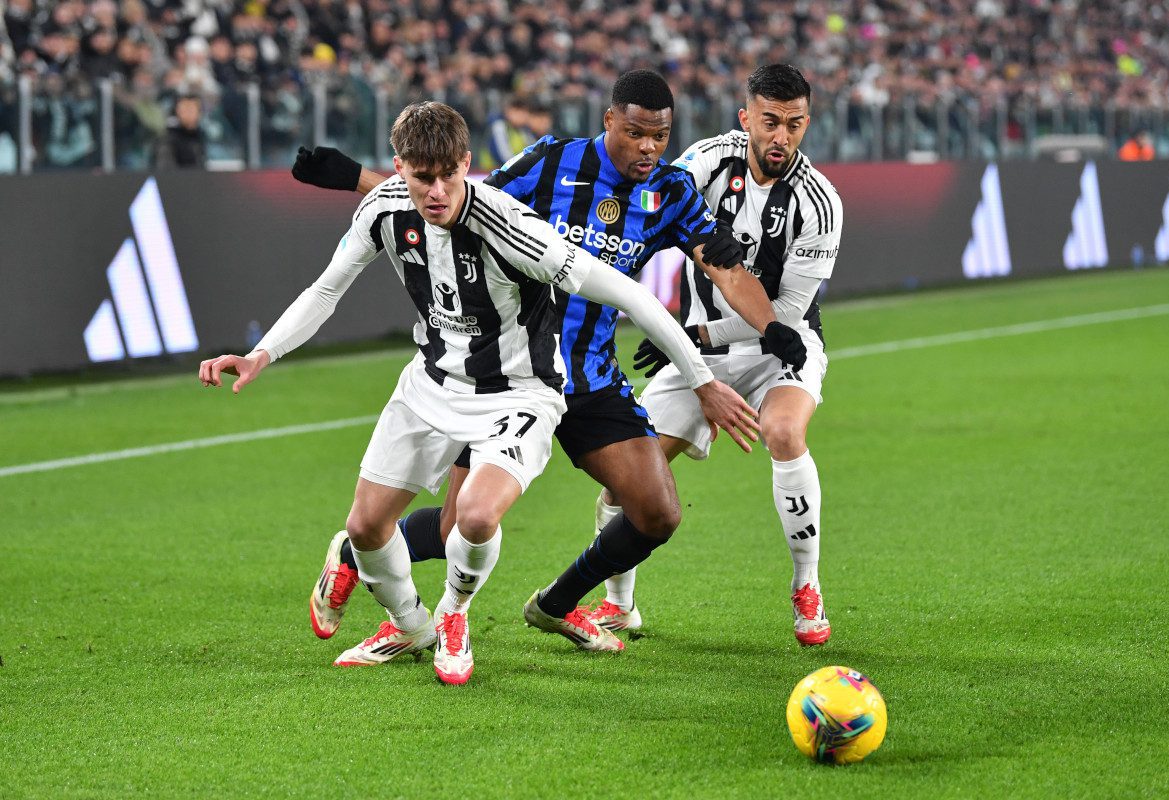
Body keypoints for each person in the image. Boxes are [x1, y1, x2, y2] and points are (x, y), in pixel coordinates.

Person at [200, 101, 755, 685]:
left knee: (479, 514)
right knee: (367, 527)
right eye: (421, 178)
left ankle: (454, 615)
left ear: (467, 164)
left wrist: (703, 379)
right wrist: (263, 352)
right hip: (431, 383)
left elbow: (634, 298)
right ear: (400, 169)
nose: (436, 191)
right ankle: (409, 622)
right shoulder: (383, 210)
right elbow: (325, 290)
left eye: (448, 175)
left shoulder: (512, 226)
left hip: (519, 393)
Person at [292, 70, 807, 654]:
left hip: (587, 375)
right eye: (636, 132)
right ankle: (357, 553)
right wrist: (361, 181)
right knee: (455, 525)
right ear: (609, 120)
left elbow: (725, 267)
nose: (648, 147)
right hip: (508, 373)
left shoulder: (670, 192)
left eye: (660, 136)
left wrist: (771, 328)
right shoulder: (550, 161)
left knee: (658, 511)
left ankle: (556, 604)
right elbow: (459, 198)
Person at [608, 64, 843, 646]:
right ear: (747, 120)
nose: (780, 137)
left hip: (777, 349)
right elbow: (651, 209)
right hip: (698, 353)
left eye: (793, 124)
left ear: (807, 124)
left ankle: (806, 586)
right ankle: (619, 606)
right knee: (621, 480)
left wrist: (691, 338)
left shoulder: (821, 204)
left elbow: (783, 320)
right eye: (769, 122)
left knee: (784, 433)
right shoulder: (707, 163)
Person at [154, 94, 206, 169]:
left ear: (199, 112)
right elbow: (166, 171)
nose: (188, 113)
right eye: (184, 109)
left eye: (191, 109)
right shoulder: (168, 139)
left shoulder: (201, 136)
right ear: (177, 112)